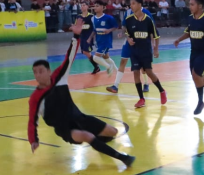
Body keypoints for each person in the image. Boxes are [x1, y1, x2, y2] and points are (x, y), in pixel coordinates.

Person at [27, 19, 135, 167]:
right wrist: (33, 139)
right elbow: (32, 121)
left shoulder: (59, 77)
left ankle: (97, 144)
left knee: (113, 131)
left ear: (49, 71)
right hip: (64, 128)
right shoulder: (36, 98)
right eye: (35, 72)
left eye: (41, 71)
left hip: (80, 117)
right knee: (87, 136)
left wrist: (76, 36)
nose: (38, 75)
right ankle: (123, 158)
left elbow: (69, 57)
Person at [123, 0, 167, 108]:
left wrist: (156, 49)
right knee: (136, 72)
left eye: (133, 3)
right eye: (130, 4)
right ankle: (141, 99)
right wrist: (128, 39)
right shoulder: (129, 20)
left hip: (146, 51)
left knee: (149, 72)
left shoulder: (148, 20)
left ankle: (161, 90)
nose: (131, 6)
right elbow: (127, 33)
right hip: (134, 51)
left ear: (140, 5)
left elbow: (156, 36)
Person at [107, 0, 153, 95]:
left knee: (142, 66)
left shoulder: (146, 13)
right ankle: (115, 86)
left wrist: (151, 44)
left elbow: (151, 28)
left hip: (142, 42)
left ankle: (146, 83)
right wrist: (123, 33)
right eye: (131, 1)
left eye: (134, 1)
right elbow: (124, 25)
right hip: (129, 41)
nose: (131, 4)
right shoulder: (128, 12)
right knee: (123, 61)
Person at [91, 0, 118, 75]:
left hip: (106, 41)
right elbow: (94, 30)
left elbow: (116, 26)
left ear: (102, 7)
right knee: (106, 58)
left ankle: (108, 67)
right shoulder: (93, 18)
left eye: (97, 6)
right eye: (94, 6)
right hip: (99, 41)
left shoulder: (109, 18)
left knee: (95, 58)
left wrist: (109, 30)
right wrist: (90, 38)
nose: (95, 7)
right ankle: (117, 71)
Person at [78, 1, 99, 74]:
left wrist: (93, 37)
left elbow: (95, 27)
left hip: (89, 36)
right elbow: (77, 26)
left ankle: (96, 66)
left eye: (84, 5)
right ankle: (96, 64)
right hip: (82, 36)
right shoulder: (78, 16)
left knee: (86, 51)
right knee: (84, 52)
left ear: (87, 6)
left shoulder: (91, 16)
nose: (82, 6)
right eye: (81, 5)